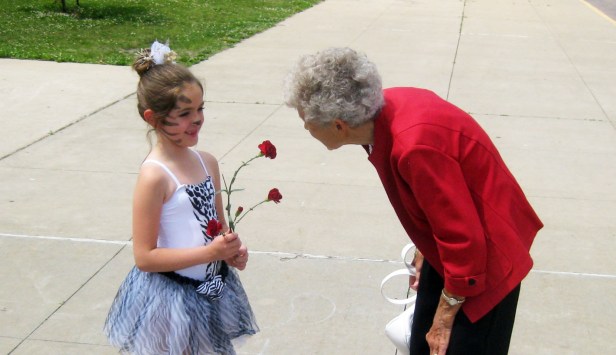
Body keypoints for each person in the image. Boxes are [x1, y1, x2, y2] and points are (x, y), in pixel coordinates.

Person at [283, 47, 543, 355]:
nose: (305, 127)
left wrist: (444, 319)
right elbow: (439, 203)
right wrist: (425, 245)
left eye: (306, 120)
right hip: (457, 246)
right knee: (422, 342)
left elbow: (464, 240)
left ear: (339, 125)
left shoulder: (413, 146)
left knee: (445, 344)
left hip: (486, 258)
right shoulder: (386, 108)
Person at [104, 41, 258, 355]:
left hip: (210, 287)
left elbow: (218, 228)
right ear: (153, 118)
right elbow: (145, 257)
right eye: (185, 113)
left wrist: (230, 250)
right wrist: (208, 253)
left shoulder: (207, 162)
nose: (198, 119)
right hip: (170, 297)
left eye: (200, 108)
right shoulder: (155, 176)